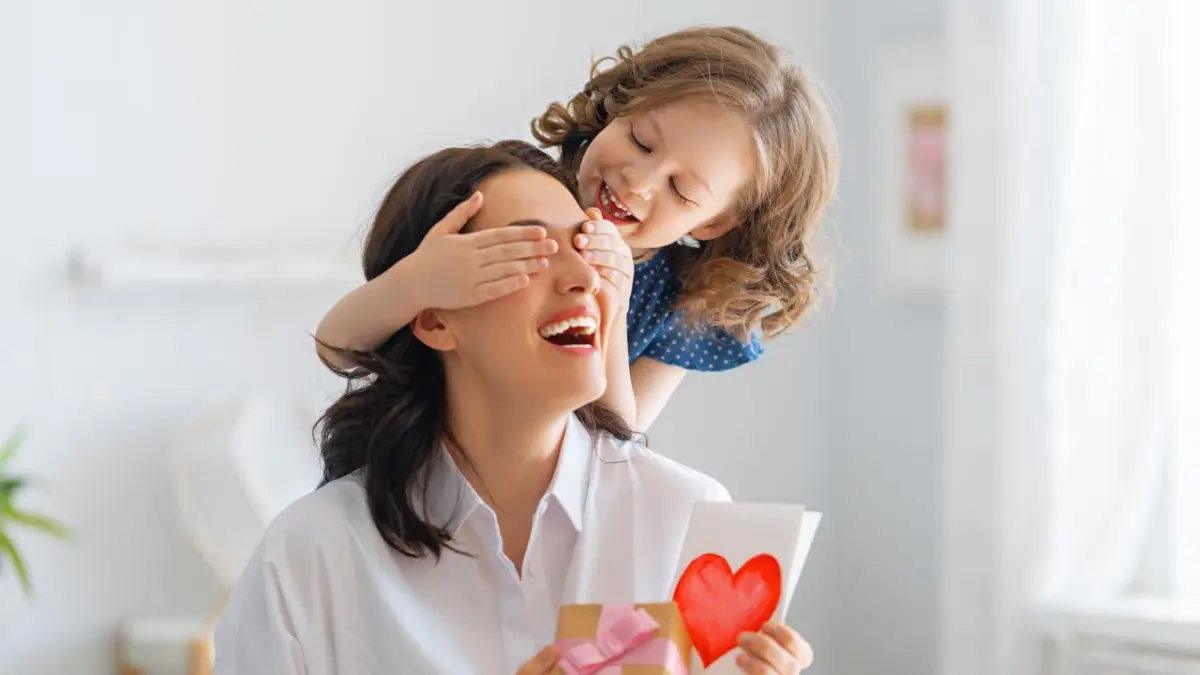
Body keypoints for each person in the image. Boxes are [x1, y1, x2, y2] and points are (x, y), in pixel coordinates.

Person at [212, 141, 813, 674]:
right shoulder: (314, 555)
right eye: (532, 251)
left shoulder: (689, 519)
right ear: (432, 315)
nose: (581, 275)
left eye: (588, 247)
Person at [313, 26, 839, 431]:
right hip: (405, 473)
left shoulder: (684, 307)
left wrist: (611, 301)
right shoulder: (507, 200)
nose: (639, 182)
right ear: (618, 106)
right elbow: (338, 348)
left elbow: (615, 446)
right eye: (641, 141)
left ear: (717, 221)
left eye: (681, 190)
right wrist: (419, 281)